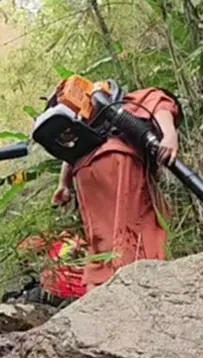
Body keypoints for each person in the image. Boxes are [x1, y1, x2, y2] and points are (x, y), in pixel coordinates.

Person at [51, 87, 180, 291]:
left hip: (84, 174)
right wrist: (170, 134)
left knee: (100, 240)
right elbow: (161, 102)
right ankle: (140, 285)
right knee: (135, 229)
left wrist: (64, 184)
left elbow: (71, 150)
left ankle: (98, 288)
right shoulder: (132, 102)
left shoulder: (88, 118)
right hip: (119, 161)